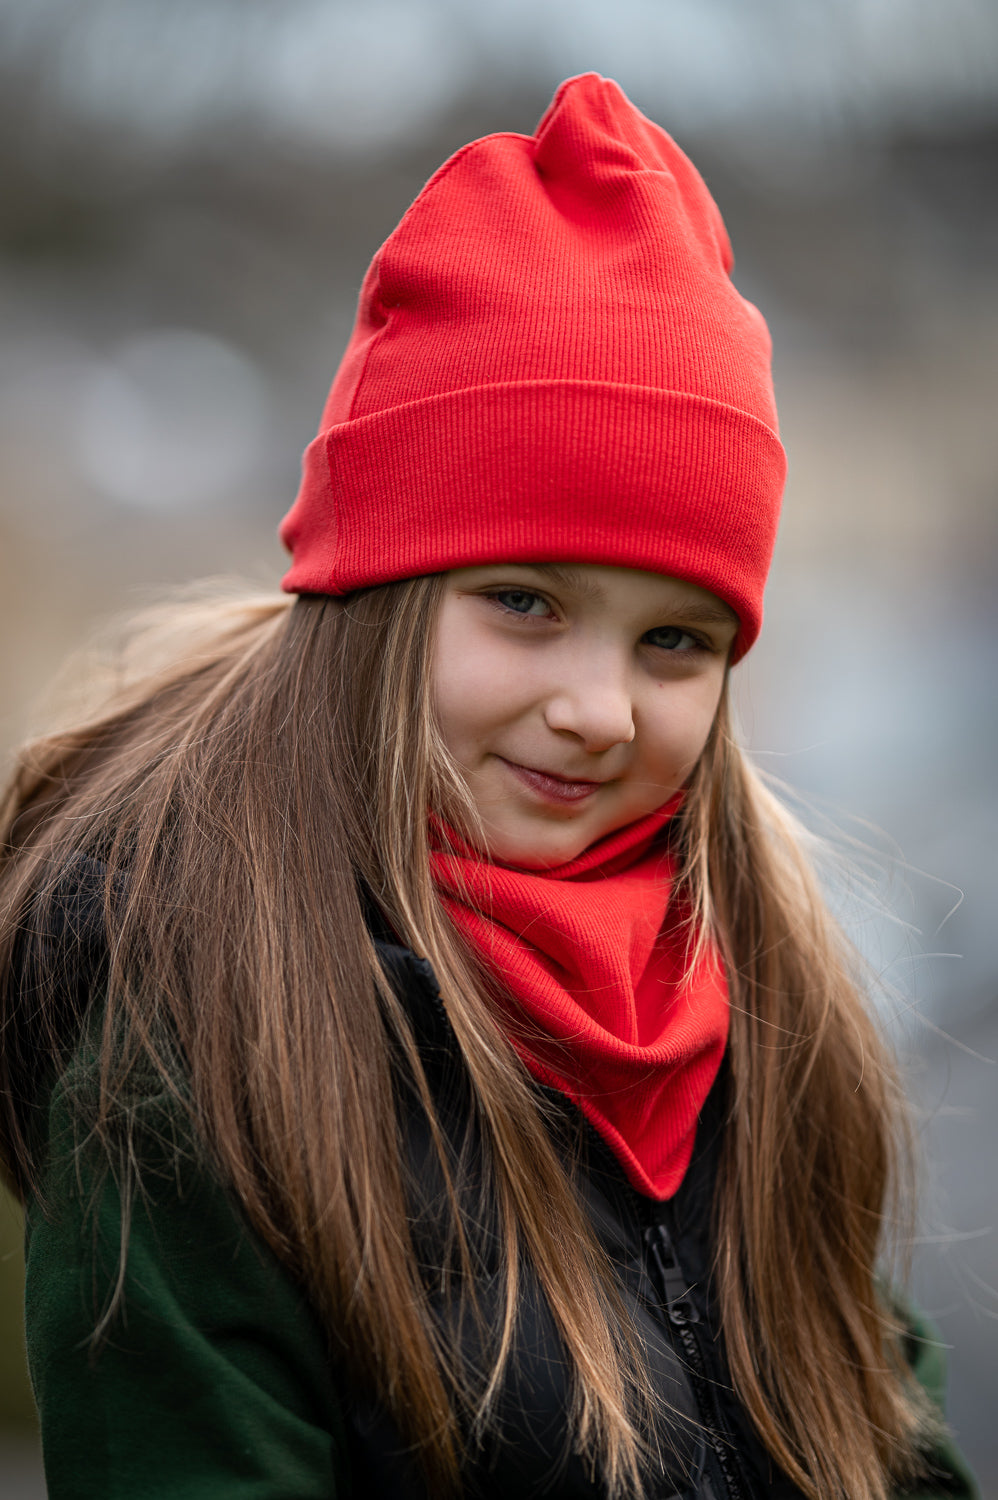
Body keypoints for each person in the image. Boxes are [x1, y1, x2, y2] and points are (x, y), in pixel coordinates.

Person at [0, 74, 979, 1500]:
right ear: (374, 598)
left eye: (672, 642)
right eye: (522, 601)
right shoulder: (196, 1063)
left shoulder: (766, 1001)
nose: (593, 710)